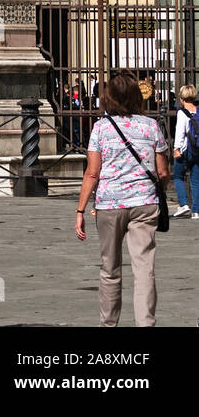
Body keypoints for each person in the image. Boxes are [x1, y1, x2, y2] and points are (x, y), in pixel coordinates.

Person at [75, 74, 171, 327]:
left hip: (109, 205)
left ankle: (108, 324)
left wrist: (80, 210)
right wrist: (157, 189)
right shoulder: (150, 126)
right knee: (144, 269)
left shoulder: (101, 128)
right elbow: (163, 172)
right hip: (144, 203)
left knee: (109, 269)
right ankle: (146, 324)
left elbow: (92, 172)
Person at [170, 84, 199, 219]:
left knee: (177, 176)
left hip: (186, 149)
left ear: (182, 98)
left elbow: (180, 132)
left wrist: (176, 148)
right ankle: (196, 211)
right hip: (197, 150)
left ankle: (183, 204)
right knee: (196, 180)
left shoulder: (182, 113)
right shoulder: (197, 111)